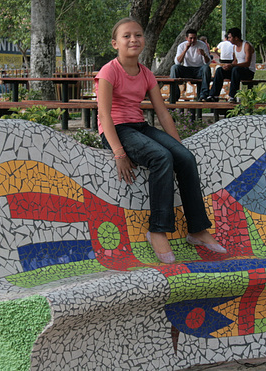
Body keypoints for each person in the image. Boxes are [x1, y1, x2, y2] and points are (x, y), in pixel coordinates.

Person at [95, 18, 226, 264]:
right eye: (126, 36)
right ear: (115, 43)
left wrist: (178, 146)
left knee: (185, 158)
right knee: (160, 157)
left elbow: (162, 113)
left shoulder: (145, 73)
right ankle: (157, 229)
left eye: (138, 35)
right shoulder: (109, 71)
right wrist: (119, 154)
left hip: (139, 126)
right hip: (116, 130)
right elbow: (103, 115)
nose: (133, 39)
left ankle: (197, 230)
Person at [205, 27, 256, 103]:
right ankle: (213, 95)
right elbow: (235, 61)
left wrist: (232, 66)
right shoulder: (234, 47)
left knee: (235, 69)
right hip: (237, 70)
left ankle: (232, 96)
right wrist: (228, 66)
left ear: (236, 38)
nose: (228, 39)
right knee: (220, 70)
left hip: (248, 72)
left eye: (230, 37)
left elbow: (247, 63)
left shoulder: (246, 46)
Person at [170, 29, 212, 102]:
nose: (193, 40)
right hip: (187, 69)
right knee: (174, 68)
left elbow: (207, 63)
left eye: (194, 38)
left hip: (199, 70)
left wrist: (204, 55)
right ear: (186, 38)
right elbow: (177, 62)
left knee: (206, 68)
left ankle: (204, 95)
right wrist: (186, 49)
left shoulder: (202, 45)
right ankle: (174, 94)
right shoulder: (182, 46)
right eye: (190, 38)